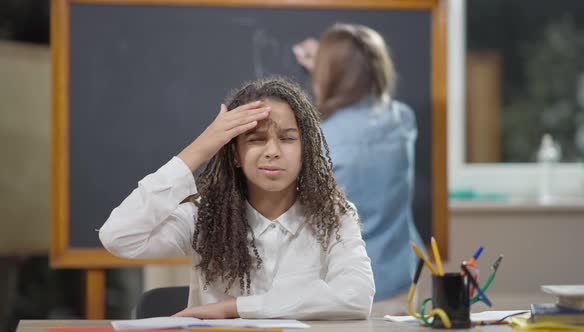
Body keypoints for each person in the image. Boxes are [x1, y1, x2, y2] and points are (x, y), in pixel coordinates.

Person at [99, 77, 375, 320]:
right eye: (256, 139)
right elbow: (119, 237)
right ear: (234, 154)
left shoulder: (334, 213)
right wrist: (200, 149)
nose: (273, 151)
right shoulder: (204, 216)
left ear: (307, 151)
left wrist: (233, 308)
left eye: (288, 139)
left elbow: (356, 297)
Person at [293, 24, 424, 315]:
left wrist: (326, 68)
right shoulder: (402, 120)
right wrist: (335, 65)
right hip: (404, 279)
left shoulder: (319, 137)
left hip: (345, 286)